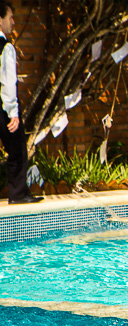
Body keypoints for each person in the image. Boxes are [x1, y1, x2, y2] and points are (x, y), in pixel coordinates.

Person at [0, 2, 40, 205]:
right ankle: (18, 195)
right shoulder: (6, 47)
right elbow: (8, 82)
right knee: (17, 149)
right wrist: (13, 111)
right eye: (10, 18)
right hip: (2, 107)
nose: (13, 22)